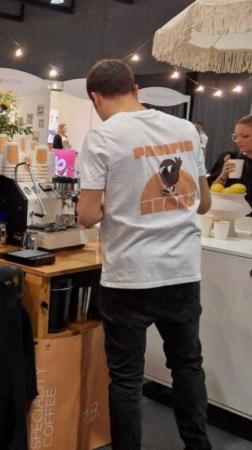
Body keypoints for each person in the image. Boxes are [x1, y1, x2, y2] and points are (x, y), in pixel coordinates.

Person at [76, 59, 212, 450]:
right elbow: (203, 203)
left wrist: (112, 207)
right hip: (182, 271)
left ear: (96, 97)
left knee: (126, 379)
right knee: (187, 366)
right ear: (136, 88)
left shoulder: (102, 137)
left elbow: (86, 215)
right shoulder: (185, 129)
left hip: (129, 275)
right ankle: (198, 445)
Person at [207, 114, 252, 211]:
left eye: (245, 136)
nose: (238, 140)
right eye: (236, 136)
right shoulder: (230, 158)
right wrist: (223, 175)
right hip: (227, 216)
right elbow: (210, 194)